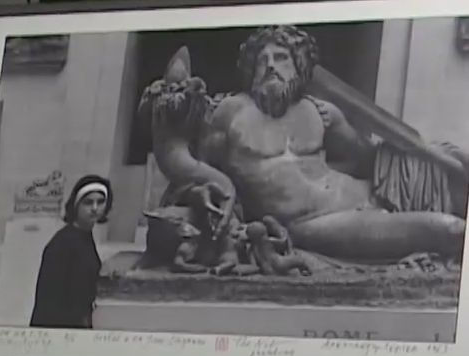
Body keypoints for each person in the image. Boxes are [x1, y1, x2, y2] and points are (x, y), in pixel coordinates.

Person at [153, 25, 467, 262]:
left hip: (366, 197)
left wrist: (425, 152)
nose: (271, 65)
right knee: (451, 230)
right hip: (317, 223)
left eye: (281, 58)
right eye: (262, 60)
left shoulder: (320, 111)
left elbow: (368, 161)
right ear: (251, 69)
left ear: (299, 65)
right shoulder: (229, 113)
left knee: (455, 181)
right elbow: (195, 172)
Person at [30, 174, 112, 329]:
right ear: (76, 205)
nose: (95, 208)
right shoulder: (62, 244)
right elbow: (49, 300)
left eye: (100, 202)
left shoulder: (85, 235)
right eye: (88, 202)